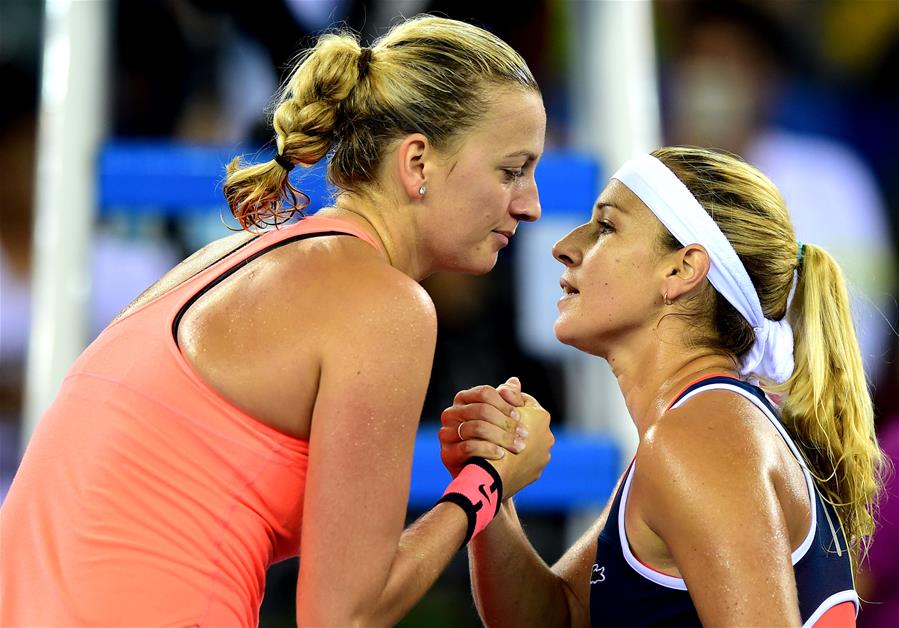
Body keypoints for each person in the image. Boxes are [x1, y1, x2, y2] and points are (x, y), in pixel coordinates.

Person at [0, 15, 554, 626]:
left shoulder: (221, 260)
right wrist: (486, 484)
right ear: (417, 162)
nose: (530, 205)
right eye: (511, 170)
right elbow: (344, 617)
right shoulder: (384, 305)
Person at [441, 146, 885, 626]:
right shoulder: (701, 426)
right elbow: (561, 618)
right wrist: (493, 488)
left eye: (606, 226)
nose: (564, 245)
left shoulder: (701, 437)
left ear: (682, 269)